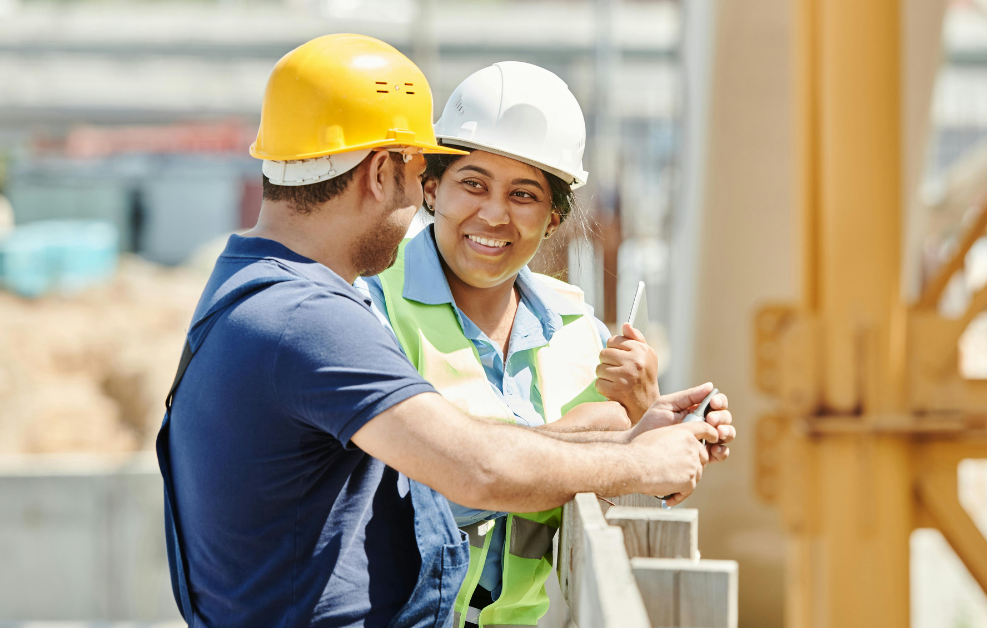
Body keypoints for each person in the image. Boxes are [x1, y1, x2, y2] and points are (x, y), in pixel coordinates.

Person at [157, 34, 728, 628]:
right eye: (422, 172)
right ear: (383, 172)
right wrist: (637, 463)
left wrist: (635, 433)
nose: (421, 199)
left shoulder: (260, 292)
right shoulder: (311, 319)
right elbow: (473, 468)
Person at [356, 62, 735, 628]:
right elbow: (413, 492)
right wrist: (598, 438)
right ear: (432, 188)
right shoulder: (372, 311)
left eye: (524, 193)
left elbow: (605, 494)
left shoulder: (580, 332)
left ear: (554, 216)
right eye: (473, 183)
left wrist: (644, 417)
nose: (494, 213)